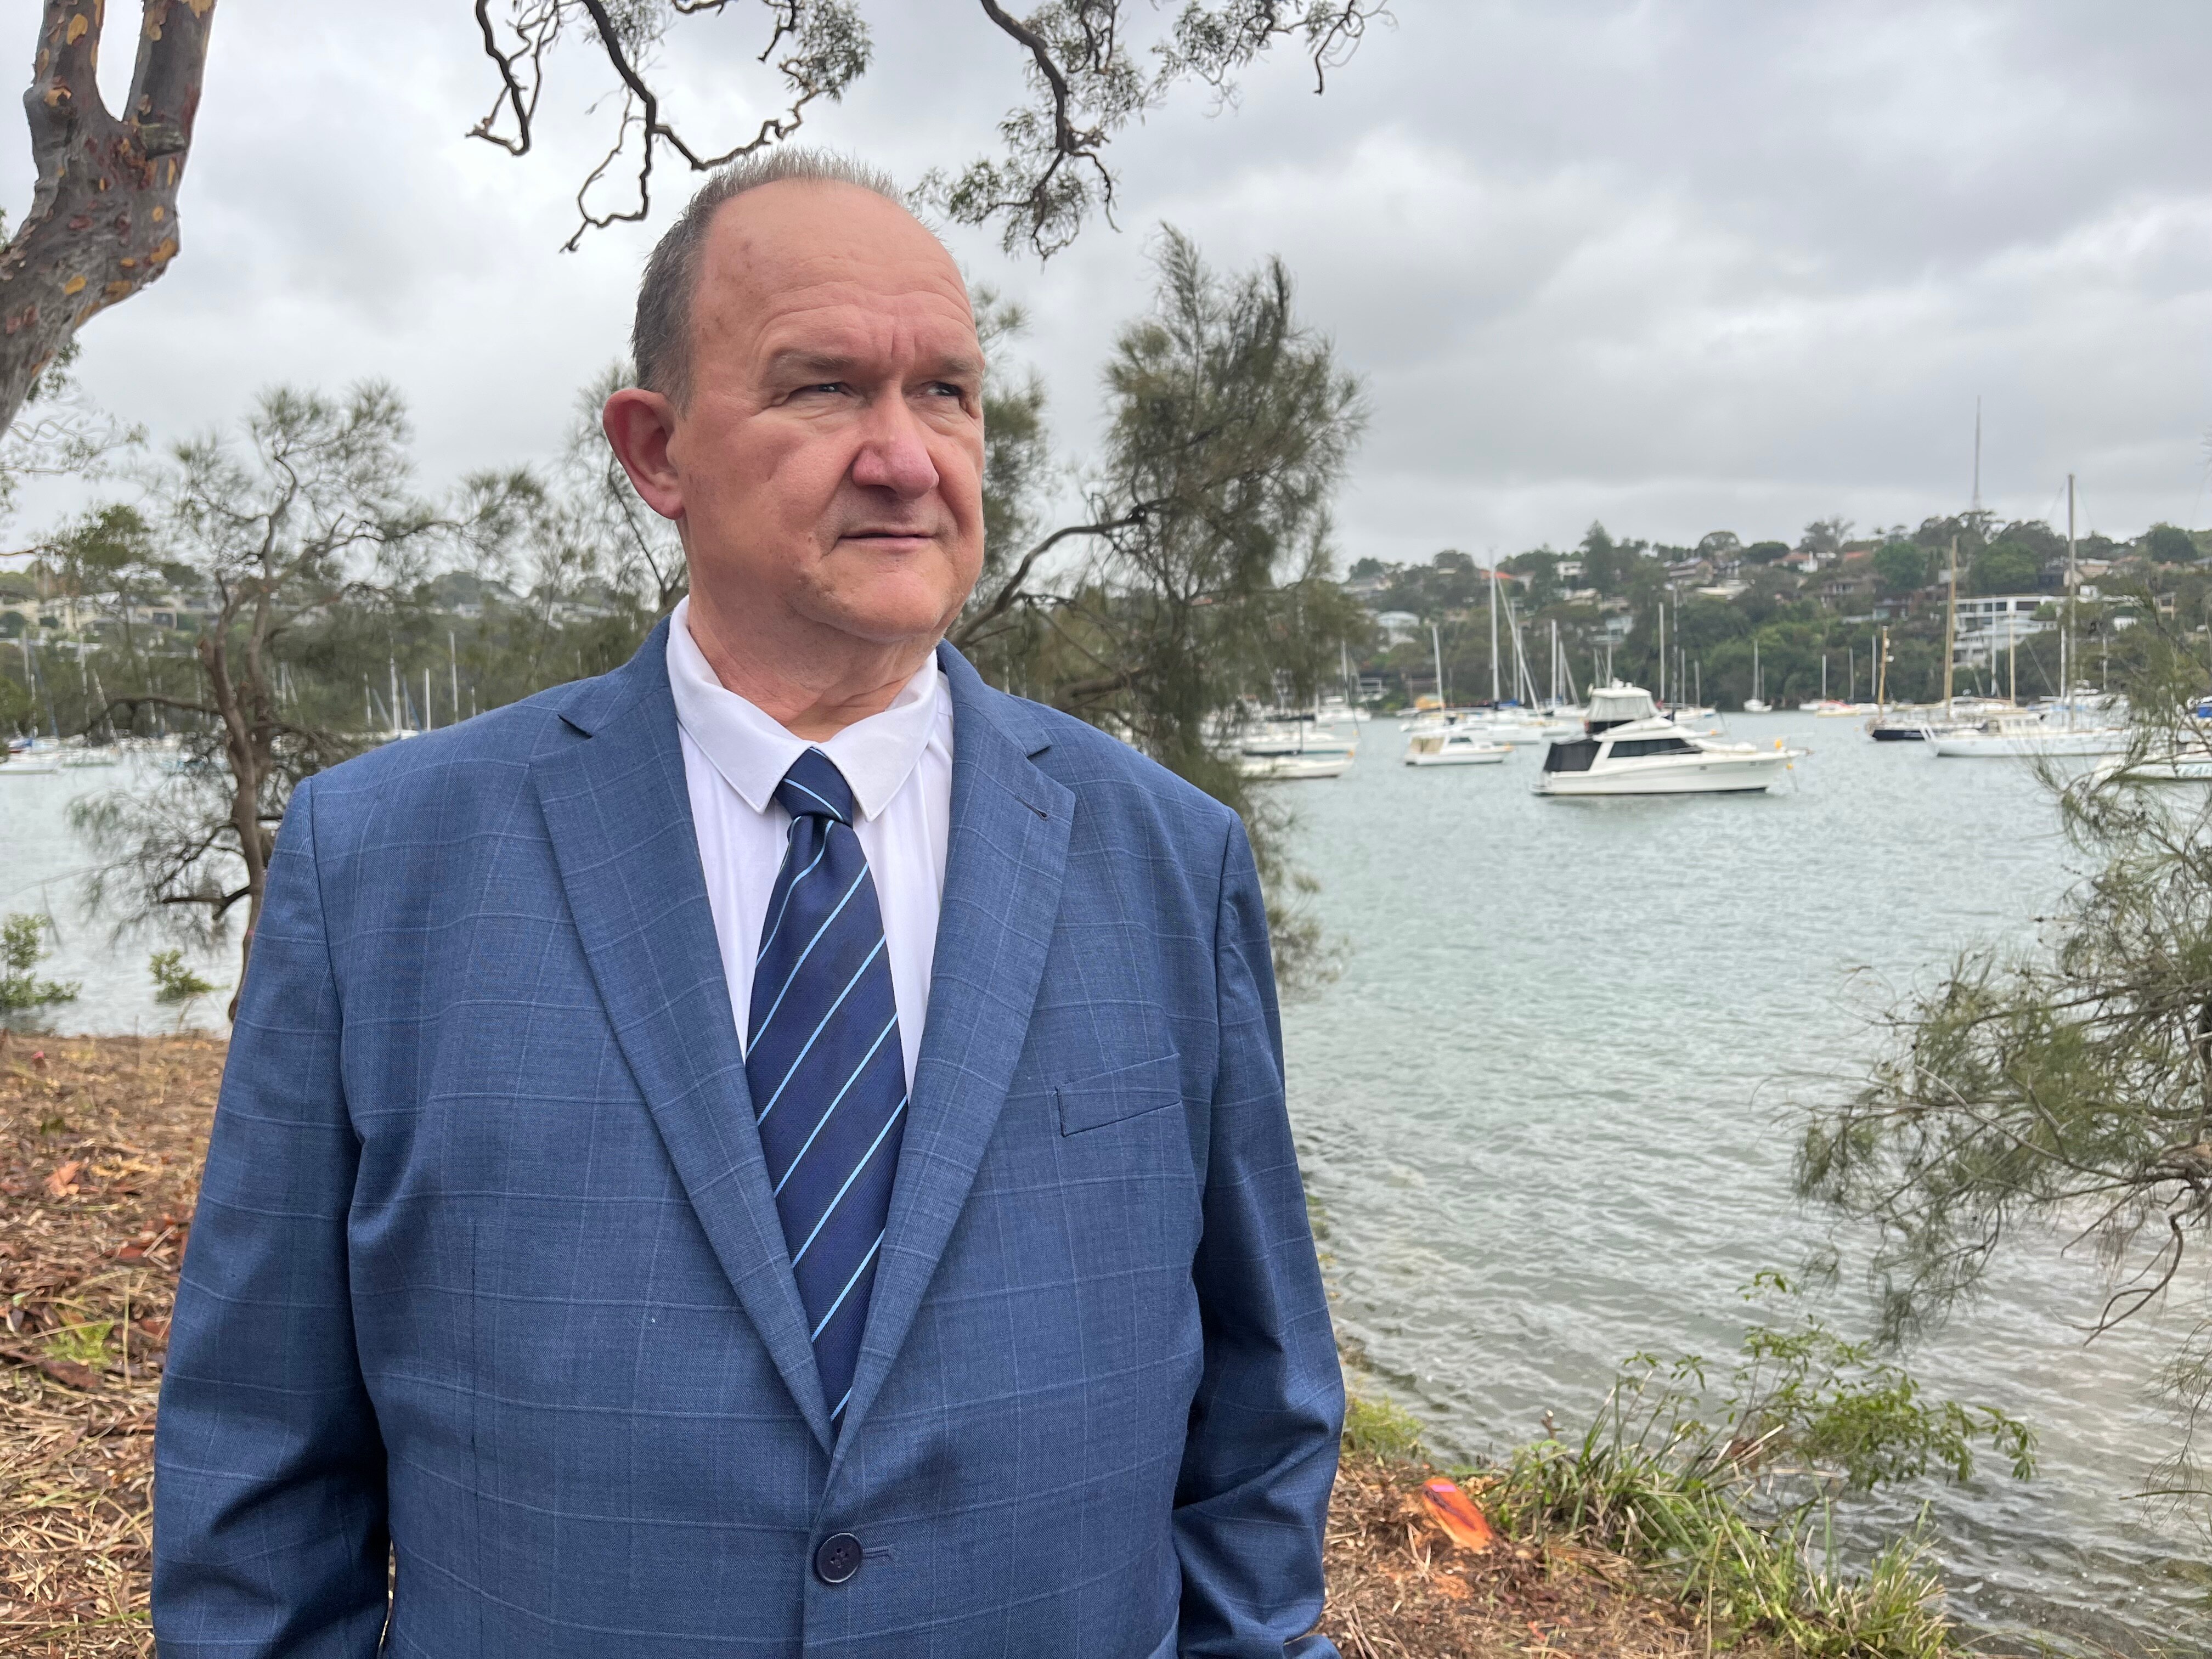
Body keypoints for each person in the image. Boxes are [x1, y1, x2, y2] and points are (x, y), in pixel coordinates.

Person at [153, 150, 1342, 1658]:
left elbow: (1263, 1414)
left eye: (951, 395)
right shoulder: (381, 864)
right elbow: (258, 1466)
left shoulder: (1170, 862)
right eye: (824, 388)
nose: (909, 457)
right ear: (656, 452)